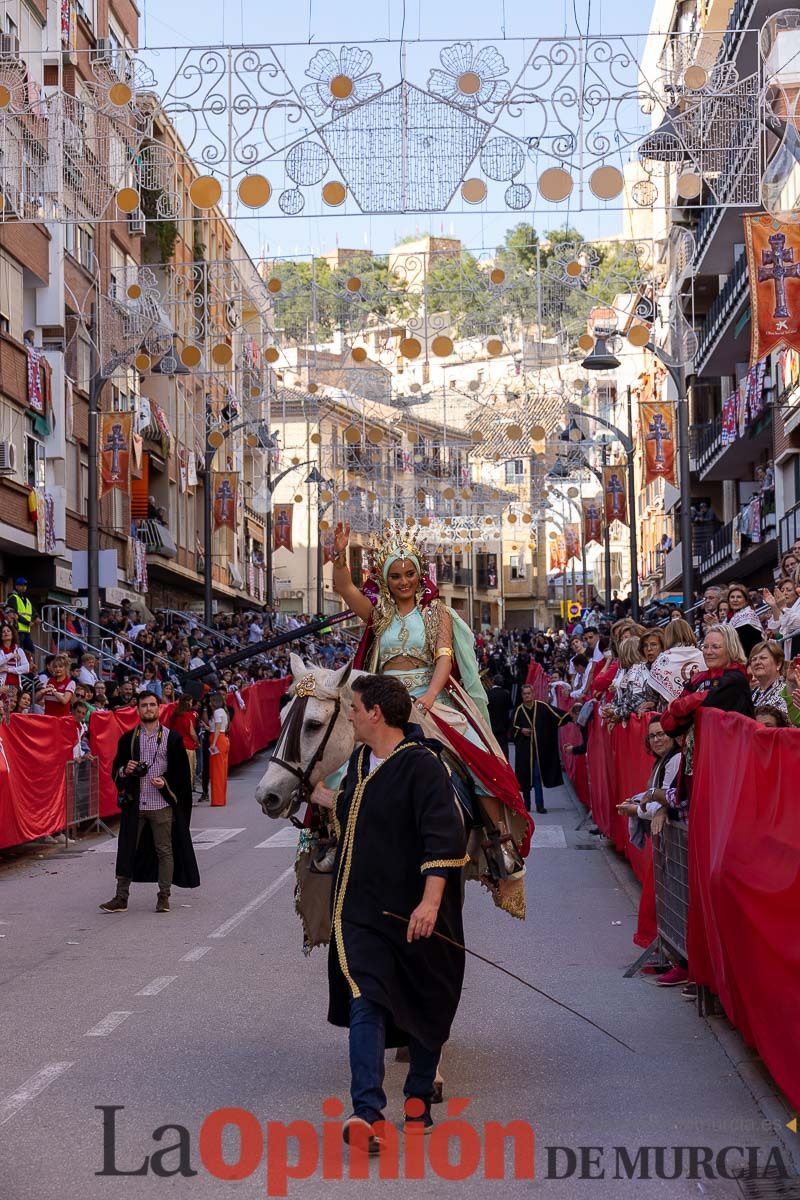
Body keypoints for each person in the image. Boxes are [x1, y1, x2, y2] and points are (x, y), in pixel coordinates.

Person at [332, 521, 530, 919]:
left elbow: (443, 658)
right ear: (385, 580)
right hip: (381, 700)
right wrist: (338, 554)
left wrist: (430, 695)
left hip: (428, 695)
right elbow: (344, 588)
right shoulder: (379, 614)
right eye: (395, 576)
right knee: (338, 756)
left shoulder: (437, 612)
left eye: (409, 574)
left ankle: (498, 841)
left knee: (474, 752)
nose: (404, 581)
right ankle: (326, 837)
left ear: (419, 574)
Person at [310, 674, 467, 1143]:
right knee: (367, 1001)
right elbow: (356, 813)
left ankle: (417, 1103)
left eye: (355, 708)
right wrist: (317, 793)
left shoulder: (424, 766)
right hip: (361, 913)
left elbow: (444, 836)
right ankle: (368, 1114)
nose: (352, 716)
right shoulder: (358, 763)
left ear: (376, 712)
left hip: (416, 914)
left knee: (423, 1004)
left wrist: (430, 903)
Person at [100, 691, 199, 914]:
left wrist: (165, 783)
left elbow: (183, 776)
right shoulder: (129, 738)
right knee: (126, 849)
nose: (148, 709)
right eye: (144, 705)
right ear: (138, 709)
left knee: (165, 850)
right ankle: (121, 897)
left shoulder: (172, 738)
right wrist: (126, 770)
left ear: (158, 708)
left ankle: (163, 896)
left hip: (161, 805)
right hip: (136, 804)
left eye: (152, 705)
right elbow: (116, 769)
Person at [511, 683, 567, 814]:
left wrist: (571, 715)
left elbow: (556, 715)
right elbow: (512, 728)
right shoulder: (519, 710)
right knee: (525, 778)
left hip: (539, 750)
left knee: (537, 777)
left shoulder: (541, 707)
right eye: (524, 694)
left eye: (529, 693)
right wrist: (521, 730)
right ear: (522, 696)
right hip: (525, 751)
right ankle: (527, 805)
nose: (527, 696)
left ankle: (539, 804)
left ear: (533, 694)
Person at [647, 618, 706, 707]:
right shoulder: (703, 655)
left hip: (670, 711)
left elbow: (651, 691)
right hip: (700, 708)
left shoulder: (664, 658)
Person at [748, 641, 800, 724]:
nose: (757, 662)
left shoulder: (788, 690)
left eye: (763, 658)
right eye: (753, 659)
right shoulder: (751, 693)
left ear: (778, 664)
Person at [724, 582, 764, 658]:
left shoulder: (749, 615)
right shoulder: (727, 620)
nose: (735, 600)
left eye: (739, 597)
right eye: (732, 597)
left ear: (746, 601)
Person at [167, 694, 199, 785]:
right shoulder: (188, 715)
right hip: (188, 746)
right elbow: (192, 732)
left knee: (178, 773)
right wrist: (197, 742)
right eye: (191, 702)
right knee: (188, 773)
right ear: (188, 702)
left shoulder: (174, 715)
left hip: (175, 746)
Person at [208, 692, 230, 807]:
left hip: (218, 740)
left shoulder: (217, 712)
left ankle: (217, 800)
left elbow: (217, 728)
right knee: (222, 770)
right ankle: (221, 799)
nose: (209, 703)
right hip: (223, 739)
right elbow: (220, 727)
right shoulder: (223, 712)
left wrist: (213, 743)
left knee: (216, 772)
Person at [6, 577, 36, 654]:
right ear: (16, 586)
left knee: (30, 651)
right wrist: (28, 622)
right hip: (17, 630)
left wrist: (33, 619)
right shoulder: (13, 597)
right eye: (21, 585)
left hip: (26, 631)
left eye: (25, 585)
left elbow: (35, 613)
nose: (24, 587)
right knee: (20, 650)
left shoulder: (26, 600)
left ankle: (29, 665)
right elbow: (14, 613)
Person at [0, 623, 29, 703]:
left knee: (11, 710)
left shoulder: (19, 651)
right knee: (4, 710)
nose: (6, 633)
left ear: (12, 635)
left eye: (8, 631)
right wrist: (11, 655)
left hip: (15, 686)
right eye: (3, 631)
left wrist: (7, 669)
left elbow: (26, 668)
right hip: (2, 686)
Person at [486, 673, 513, 757]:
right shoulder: (506, 694)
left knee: (492, 747)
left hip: (491, 724)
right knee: (504, 747)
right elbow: (510, 708)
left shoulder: (488, 693)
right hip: (503, 725)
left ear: (493, 682)